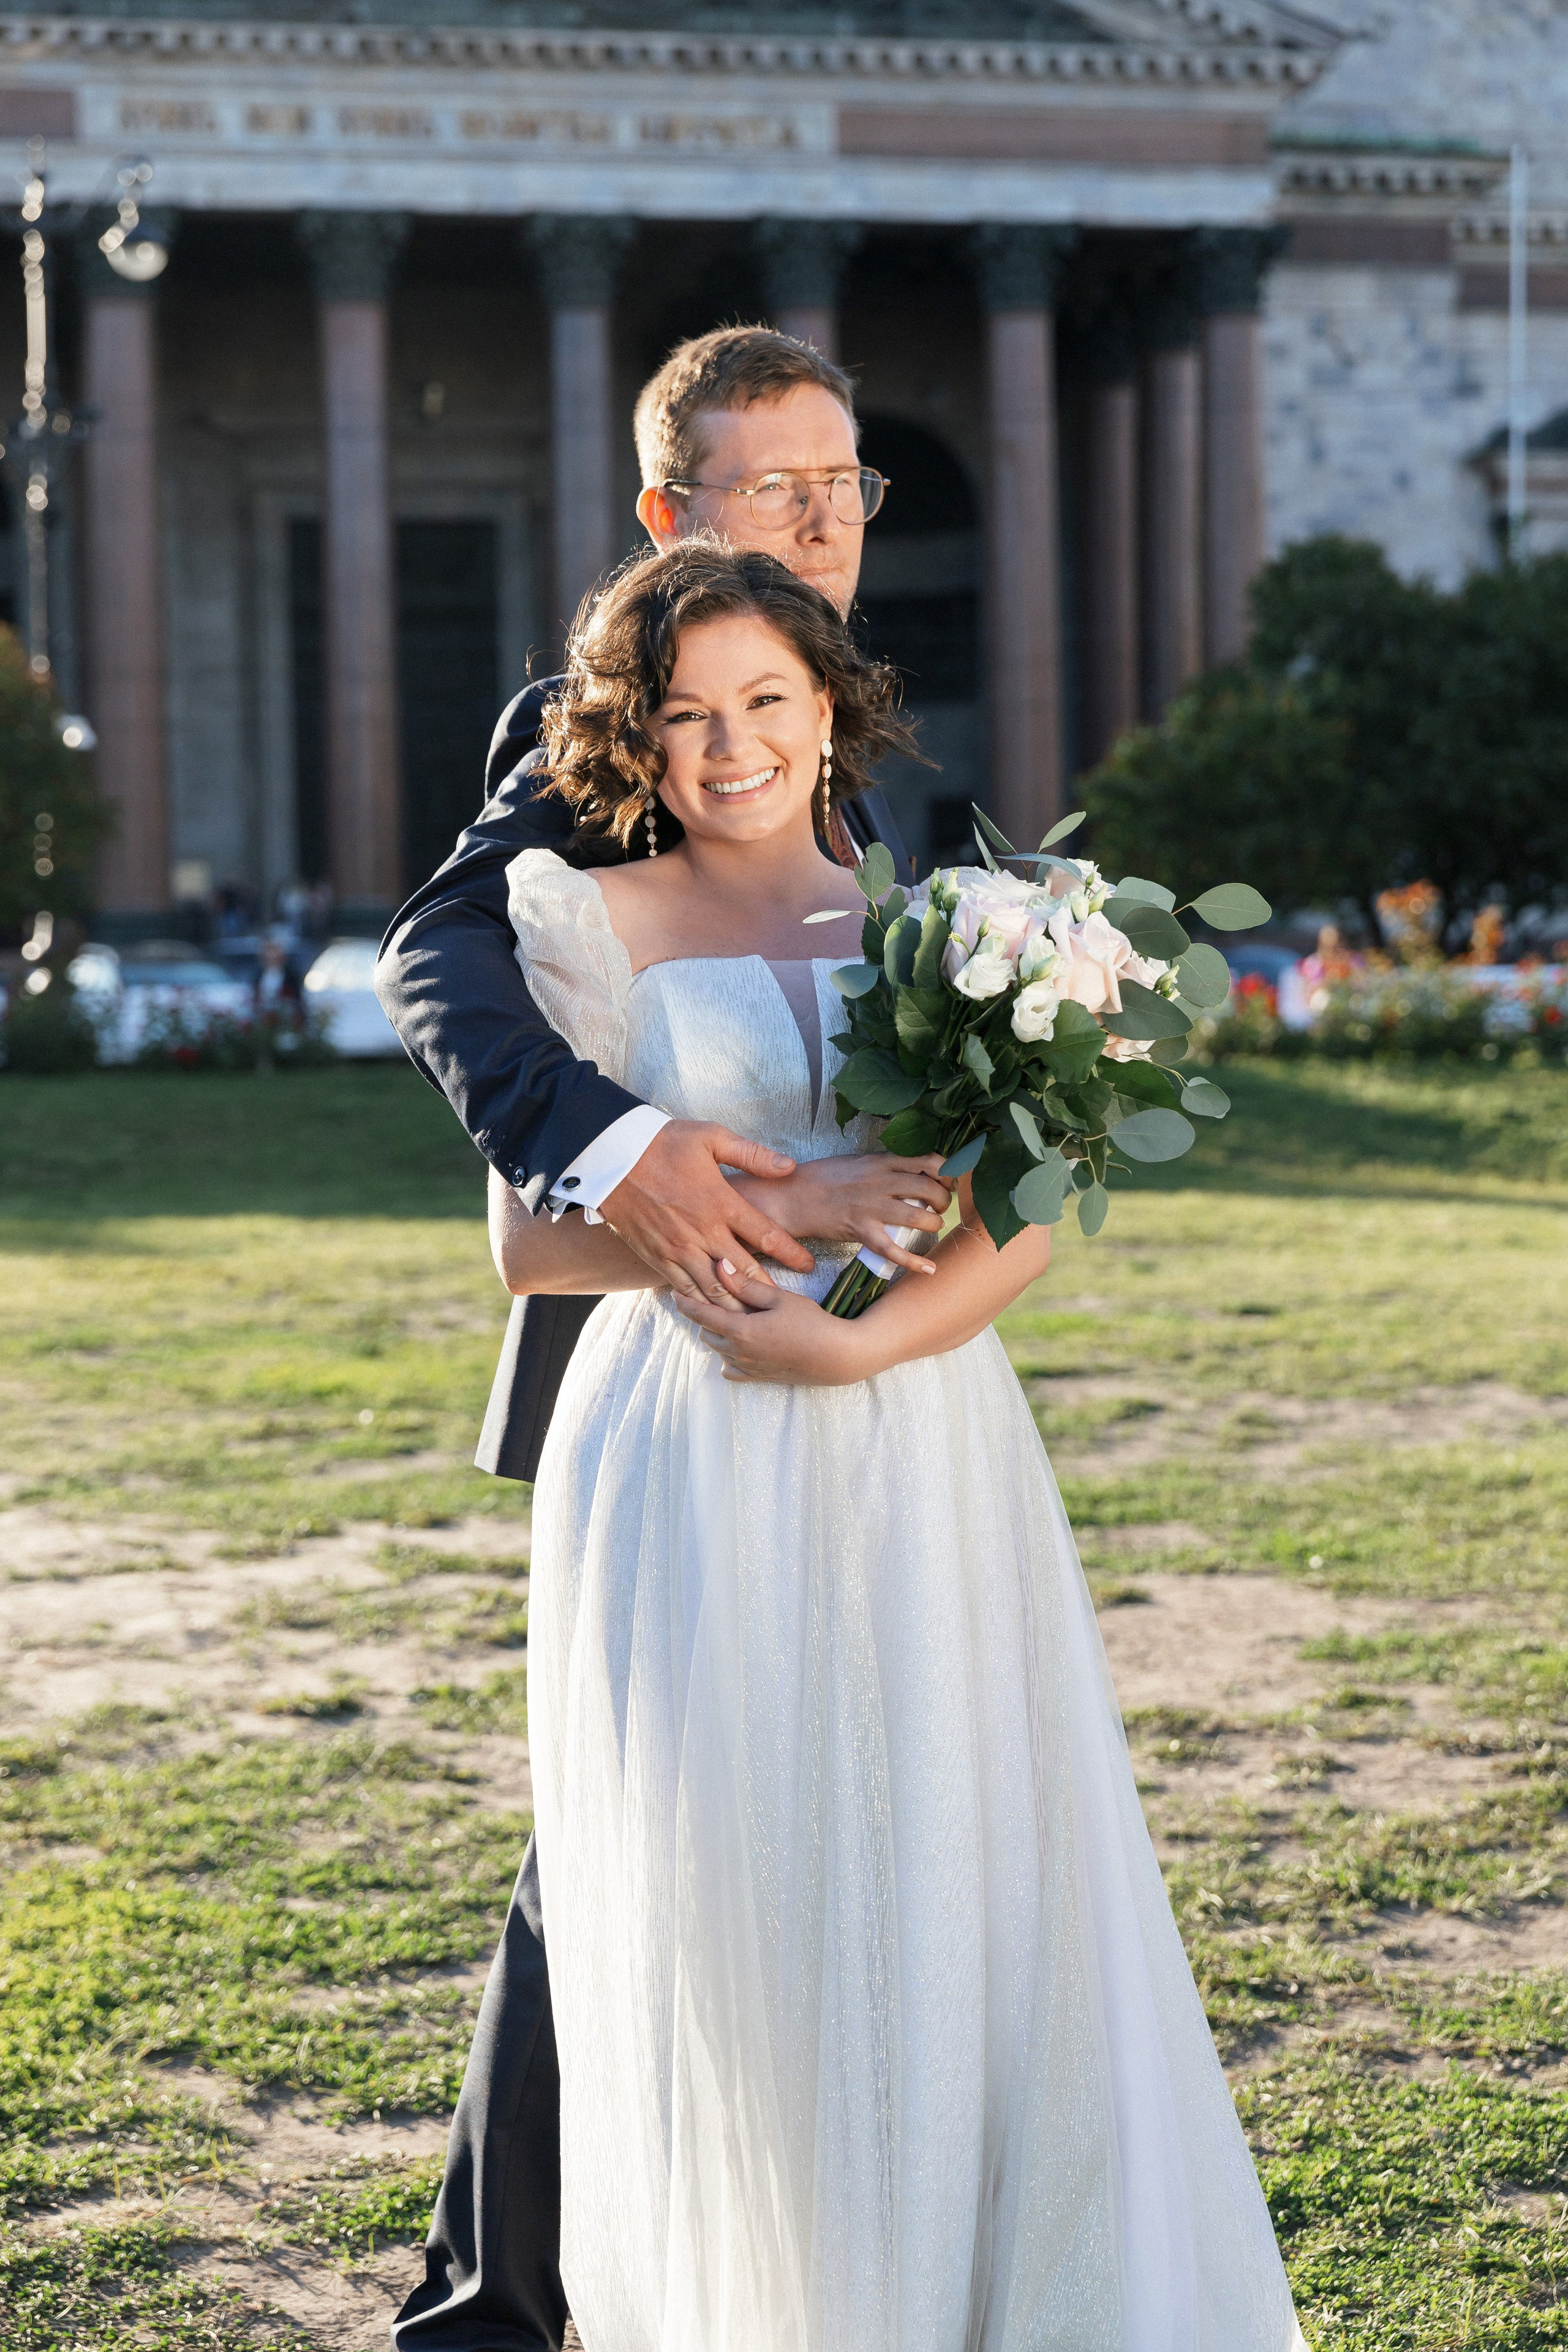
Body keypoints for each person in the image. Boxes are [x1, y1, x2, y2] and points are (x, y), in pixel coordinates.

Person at [486, 540, 1307, 2350]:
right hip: (688, 1446)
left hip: (923, 1443)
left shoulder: (941, 919)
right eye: (684, 716)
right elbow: (533, 1242)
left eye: (764, 702)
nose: (729, 748)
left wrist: (866, 1343)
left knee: (952, 1862)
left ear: (828, 705)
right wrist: (802, 1210)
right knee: (742, 1901)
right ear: (635, 738)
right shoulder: (584, 921)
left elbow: (1020, 1195)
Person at [382, 329, 930, 2352]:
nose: (817, 520)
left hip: (873, 1404)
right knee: (604, 1863)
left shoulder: (868, 743)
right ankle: (504, 2308)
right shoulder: (613, 712)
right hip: (659, 1365)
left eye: (843, 483)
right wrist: (617, 1152)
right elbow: (446, 950)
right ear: (668, 521)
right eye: (770, 489)